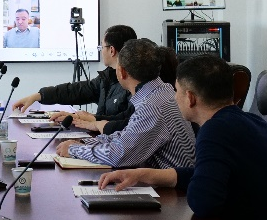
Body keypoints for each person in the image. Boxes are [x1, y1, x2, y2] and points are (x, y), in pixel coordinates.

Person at [99, 55, 267, 220]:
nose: (174, 98)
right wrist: (143, 175)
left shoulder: (215, 131)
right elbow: (206, 175)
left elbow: (202, 202)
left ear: (190, 98)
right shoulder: (250, 121)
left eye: (177, 91)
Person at [56, 38, 195, 169]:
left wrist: (74, 149)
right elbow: (126, 136)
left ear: (121, 72)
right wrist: (85, 142)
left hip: (171, 185)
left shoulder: (152, 106)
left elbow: (118, 155)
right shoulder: (163, 91)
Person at [12, 24, 137, 134]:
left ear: (111, 50)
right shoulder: (107, 77)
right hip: (101, 138)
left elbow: (128, 122)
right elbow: (75, 90)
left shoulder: (133, 83)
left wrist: (92, 119)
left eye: (101, 47)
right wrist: (39, 96)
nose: (100, 51)